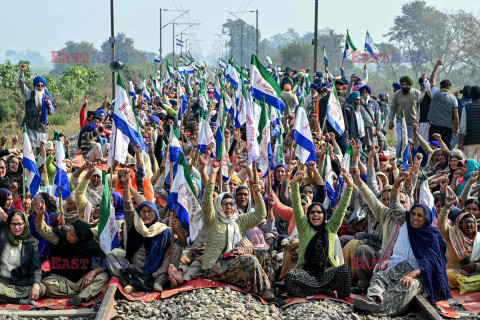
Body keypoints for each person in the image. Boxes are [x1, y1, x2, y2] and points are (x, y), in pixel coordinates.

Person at [201, 162, 284, 306]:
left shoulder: (237, 220)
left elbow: (260, 214)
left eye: (231, 204)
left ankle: (270, 287)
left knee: (263, 253)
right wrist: (213, 174)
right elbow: (207, 202)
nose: (228, 207)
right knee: (249, 260)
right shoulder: (212, 219)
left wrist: (257, 193)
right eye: (225, 204)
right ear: (219, 206)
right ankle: (265, 293)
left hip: (231, 259)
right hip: (215, 265)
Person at [353, 204, 450, 316]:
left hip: (421, 275)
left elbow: (433, 263)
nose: (415, 218)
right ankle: (371, 299)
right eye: (413, 214)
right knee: (380, 277)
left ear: (427, 218)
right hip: (401, 268)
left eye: (420, 215)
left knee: (404, 288)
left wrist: (412, 275)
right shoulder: (406, 227)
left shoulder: (432, 235)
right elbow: (394, 203)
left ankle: (374, 309)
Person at [106, 169, 180, 293]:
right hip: (134, 270)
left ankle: (159, 281)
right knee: (110, 257)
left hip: (156, 272)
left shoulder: (163, 230)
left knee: (176, 247)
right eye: (143, 211)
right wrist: (126, 187)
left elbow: (180, 243)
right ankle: (130, 282)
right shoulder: (134, 225)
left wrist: (177, 230)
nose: (146, 215)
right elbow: (128, 207)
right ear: (139, 213)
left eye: (149, 211)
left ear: (155, 214)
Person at [284, 169, 353, 298]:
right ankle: (326, 291)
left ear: (324, 215)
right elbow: (298, 206)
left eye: (319, 212)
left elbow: (342, 209)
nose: (316, 214)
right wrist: (294, 184)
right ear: (308, 215)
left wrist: (349, 187)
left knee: (344, 270)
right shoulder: (303, 227)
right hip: (307, 273)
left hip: (327, 272)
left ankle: (317, 289)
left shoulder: (331, 227)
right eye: (312, 212)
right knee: (290, 277)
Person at [34, 195, 109, 307]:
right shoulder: (62, 239)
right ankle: (81, 293)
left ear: (81, 237)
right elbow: (43, 229)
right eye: (69, 232)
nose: (68, 236)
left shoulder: (92, 247)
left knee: (103, 277)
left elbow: (105, 265)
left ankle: (81, 297)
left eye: (72, 235)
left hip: (83, 281)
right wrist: (40, 215)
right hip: (64, 281)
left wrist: (93, 272)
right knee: (47, 283)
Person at [0, 210, 46, 303]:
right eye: (13, 224)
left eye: (20, 224)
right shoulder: (2, 237)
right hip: (2, 280)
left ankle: (8, 298)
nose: (16, 227)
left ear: (25, 224)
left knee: (42, 288)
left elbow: (36, 267)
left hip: (21, 281)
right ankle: (20, 300)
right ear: (8, 224)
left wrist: (35, 286)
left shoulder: (32, 242)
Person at [19, 64, 55, 153]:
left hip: (42, 129)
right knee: (29, 152)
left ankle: (40, 167)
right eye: (38, 85)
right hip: (30, 128)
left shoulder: (47, 98)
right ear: (35, 86)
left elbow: (51, 113)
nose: (40, 87)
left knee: (41, 152)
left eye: (42, 85)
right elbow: (21, 85)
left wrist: (49, 105)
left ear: (44, 87)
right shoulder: (29, 94)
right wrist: (22, 72)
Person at [427, 60, 459, 149]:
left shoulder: (435, 93)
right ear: (449, 87)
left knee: (433, 148)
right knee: (446, 149)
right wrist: (457, 128)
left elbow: (432, 79)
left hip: (434, 126)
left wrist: (436, 65)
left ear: (440, 86)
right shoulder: (453, 99)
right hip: (446, 128)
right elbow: (456, 116)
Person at [388, 75, 420, 157]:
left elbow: (419, 108)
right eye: (403, 85)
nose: (404, 87)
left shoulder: (416, 93)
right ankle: (397, 158)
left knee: (411, 142)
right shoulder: (397, 94)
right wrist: (391, 120)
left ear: (410, 85)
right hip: (400, 122)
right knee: (400, 141)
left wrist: (417, 121)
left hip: (412, 123)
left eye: (406, 85)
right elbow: (393, 108)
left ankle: (409, 159)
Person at [459, 86, 480, 160]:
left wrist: (460, 141)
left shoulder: (467, 107)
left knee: (469, 165)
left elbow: (463, 126)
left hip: (470, 141)